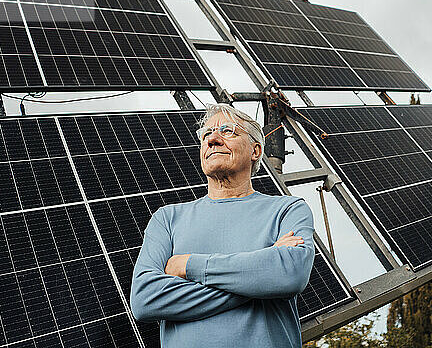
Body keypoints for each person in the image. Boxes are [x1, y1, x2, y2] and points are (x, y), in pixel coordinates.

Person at [130, 103, 315, 347]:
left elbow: (290, 274)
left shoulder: (288, 209)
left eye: (228, 131)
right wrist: (260, 276)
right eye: (206, 134)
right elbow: (145, 300)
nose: (213, 139)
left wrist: (188, 265)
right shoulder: (167, 219)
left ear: (256, 150)